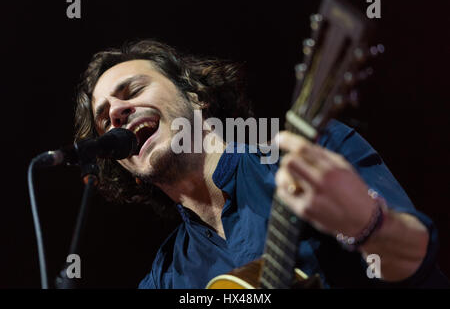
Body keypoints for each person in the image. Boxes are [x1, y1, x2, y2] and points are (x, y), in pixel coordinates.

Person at [74, 39, 448, 288]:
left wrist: (367, 225)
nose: (117, 112)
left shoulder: (310, 157)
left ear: (196, 96)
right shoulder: (168, 276)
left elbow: (418, 263)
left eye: (133, 91)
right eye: (105, 119)